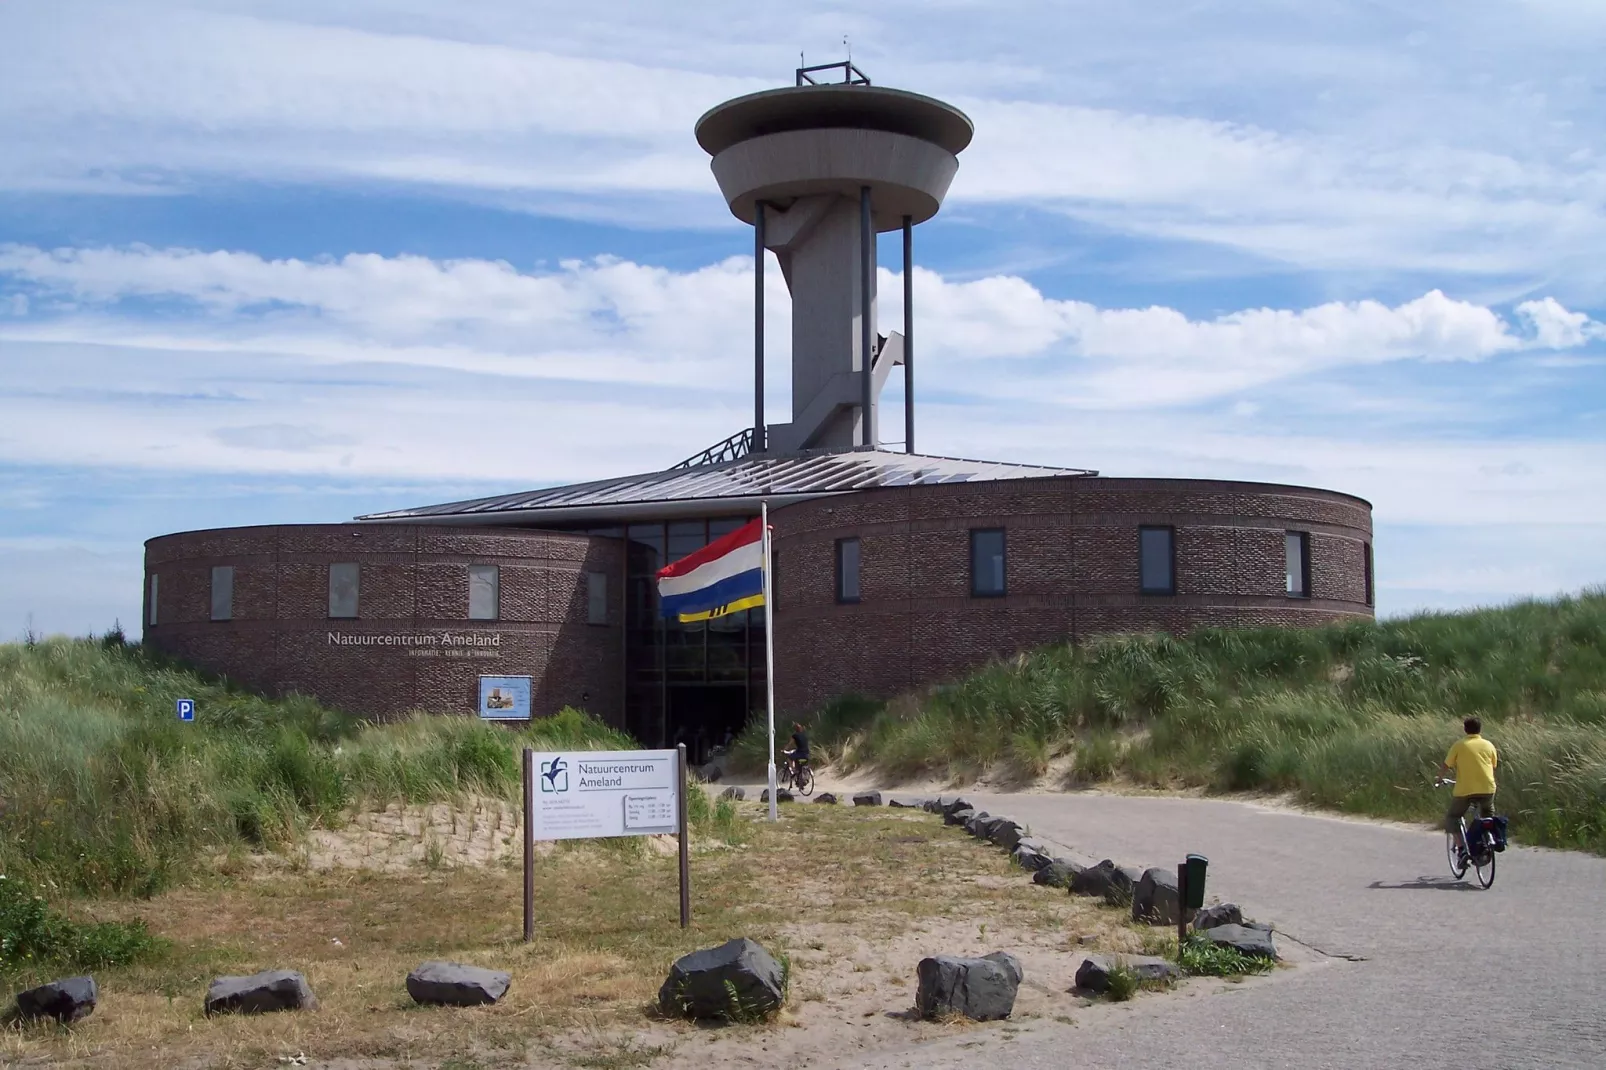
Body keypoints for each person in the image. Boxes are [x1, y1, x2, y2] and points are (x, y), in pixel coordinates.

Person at [1440, 716, 1498, 856]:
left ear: (1465, 729)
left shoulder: (1459, 745)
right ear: (1480, 729)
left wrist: (1439, 778)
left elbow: (1446, 765)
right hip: (1488, 789)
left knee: (1453, 817)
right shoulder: (1489, 745)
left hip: (1465, 790)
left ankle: (1462, 850)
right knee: (1487, 816)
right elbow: (1493, 765)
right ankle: (1486, 841)